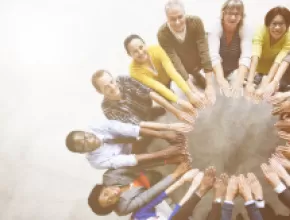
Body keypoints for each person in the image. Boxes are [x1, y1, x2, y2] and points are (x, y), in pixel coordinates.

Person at [65, 119, 191, 169]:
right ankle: (170, 159)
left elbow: (129, 129)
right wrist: (163, 153)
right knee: (135, 166)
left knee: (132, 125)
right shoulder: (96, 162)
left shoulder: (97, 125)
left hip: (128, 136)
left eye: (85, 135)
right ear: (82, 152)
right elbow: (128, 160)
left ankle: (161, 133)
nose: (89, 139)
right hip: (129, 153)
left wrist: (163, 134)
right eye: (83, 144)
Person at [124, 34, 207, 109]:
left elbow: (173, 73)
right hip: (159, 84)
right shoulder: (134, 71)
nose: (140, 52)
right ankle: (169, 92)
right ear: (129, 55)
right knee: (167, 98)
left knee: (178, 62)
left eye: (141, 47)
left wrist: (190, 94)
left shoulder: (157, 49)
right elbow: (157, 86)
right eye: (135, 51)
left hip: (169, 74)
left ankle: (195, 75)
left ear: (145, 44)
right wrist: (180, 102)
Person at [157, 0, 216, 104]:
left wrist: (210, 85)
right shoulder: (162, 34)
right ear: (167, 18)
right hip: (182, 61)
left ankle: (196, 74)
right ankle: (193, 75)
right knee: (169, 63)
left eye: (180, 17)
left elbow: (204, 51)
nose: (177, 22)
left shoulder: (196, 22)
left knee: (210, 44)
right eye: (172, 19)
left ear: (185, 14)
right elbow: (175, 61)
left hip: (196, 56)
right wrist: (193, 91)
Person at [92, 70, 196, 125]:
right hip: (138, 122)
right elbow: (137, 125)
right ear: (99, 92)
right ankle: (152, 116)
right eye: (106, 87)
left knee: (158, 88)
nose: (113, 87)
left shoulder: (122, 79)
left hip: (147, 105)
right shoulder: (107, 108)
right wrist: (168, 128)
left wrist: (176, 111)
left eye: (111, 81)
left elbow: (149, 92)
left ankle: (154, 111)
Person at [87, 162, 191, 216]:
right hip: (149, 188)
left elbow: (136, 165)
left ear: (103, 187)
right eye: (109, 202)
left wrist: (167, 160)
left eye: (106, 194)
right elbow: (148, 195)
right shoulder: (122, 209)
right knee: (172, 209)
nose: (112, 195)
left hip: (147, 171)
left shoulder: (109, 176)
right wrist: (175, 174)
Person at [208, 0, 252, 98]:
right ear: (223, 13)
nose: (233, 17)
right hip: (216, 70)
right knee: (216, 95)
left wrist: (239, 81)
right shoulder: (215, 26)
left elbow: (246, 56)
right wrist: (221, 80)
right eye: (229, 13)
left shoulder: (245, 28)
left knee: (237, 95)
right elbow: (213, 56)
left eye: (237, 14)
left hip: (235, 70)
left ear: (241, 16)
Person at [246, 6, 290, 101]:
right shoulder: (261, 31)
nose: (277, 28)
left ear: (287, 25)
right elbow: (255, 56)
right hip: (257, 70)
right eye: (274, 24)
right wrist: (249, 82)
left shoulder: (288, 37)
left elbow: (278, 61)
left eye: (281, 24)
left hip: (274, 72)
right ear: (268, 24)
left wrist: (266, 84)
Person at [132, 168, 202, 220]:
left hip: (161, 212)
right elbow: (177, 215)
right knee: (186, 211)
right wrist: (194, 187)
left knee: (153, 193)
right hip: (173, 215)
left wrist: (182, 180)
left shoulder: (139, 215)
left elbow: (157, 199)